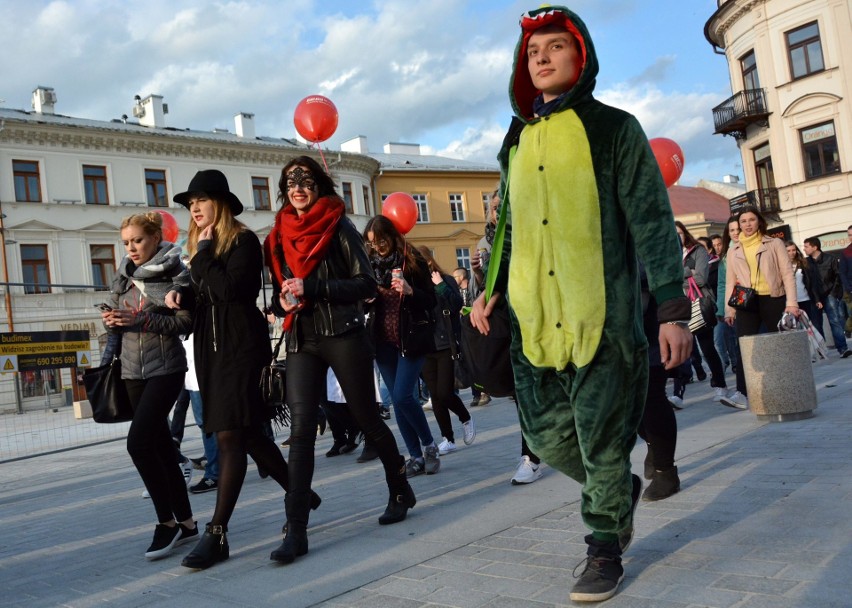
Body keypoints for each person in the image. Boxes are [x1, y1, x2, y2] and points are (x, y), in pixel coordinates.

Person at [470, 7, 692, 602]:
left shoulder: (614, 128)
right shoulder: (515, 139)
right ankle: (616, 489)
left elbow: (652, 222)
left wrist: (672, 311)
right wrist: (489, 287)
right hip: (533, 317)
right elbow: (509, 224)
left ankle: (602, 550)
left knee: (598, 440)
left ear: (581, 57)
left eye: (553, 47)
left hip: (604, 319)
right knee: (544, 439)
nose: (539, 58)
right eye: (532, 51)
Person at [264, 157, 416, 565]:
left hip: (343, 333)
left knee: (367, 418)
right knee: (300, 431)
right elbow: (278, 292)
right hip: (301, 336)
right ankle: (296, 528)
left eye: (307, 180)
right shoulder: (278, 233)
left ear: (320, 187)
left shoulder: (339, 225)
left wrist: (312, 286)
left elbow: (366, 283)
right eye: (291, 182)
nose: (298, 187)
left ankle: (399, 485)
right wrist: (281, 303)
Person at [173, 169, 299, 570]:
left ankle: (217, 533)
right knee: (244, 434)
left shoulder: (243, 241)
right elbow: (206, 292)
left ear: (221, 205)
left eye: (201, 201)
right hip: (210, 351)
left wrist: (205, 256)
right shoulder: (202, 247)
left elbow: (229, 291)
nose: (194, 208)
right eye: (190, 203)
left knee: (229, 436)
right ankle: (299, 492)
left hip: (241, 350)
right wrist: (183, 294)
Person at [101, 212, 197, 560]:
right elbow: (116, 322)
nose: (131, 248)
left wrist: (139, 318)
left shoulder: (177, 273)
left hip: (166, 368)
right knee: (159, 450)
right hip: (130, 372)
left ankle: (166, 523)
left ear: (156, 237)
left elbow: (185, 323)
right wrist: (111, 322)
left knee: (139, 444)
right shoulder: (122, 274)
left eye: (137, 240)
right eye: (126, 242)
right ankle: (187, 524)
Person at [364, 214, 442, 478]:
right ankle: (415, 456)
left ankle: (430, 446)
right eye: (372, 243)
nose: (377, 248)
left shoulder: (412, 261)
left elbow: (431, 300)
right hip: (383, 342)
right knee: (399, 402)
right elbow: (361, 304)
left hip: (411, 338)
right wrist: (364, 299)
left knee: (401, 396)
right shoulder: (367, 266)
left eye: (381, 241)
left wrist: (410, 291)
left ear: (392, 236)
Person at [722, 206, 800, 410]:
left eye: (751, 220)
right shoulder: (733, 250)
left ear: (759, 222)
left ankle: (787, 386)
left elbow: (787, 274)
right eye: (743, 221)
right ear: (738, 226)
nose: (747, 224)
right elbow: (730, 281)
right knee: (744, 346)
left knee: (779, 344)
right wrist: (729, 309)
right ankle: (742, 393)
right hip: (746, 301)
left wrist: (792, 303)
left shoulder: (774, 243)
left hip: (772, 297)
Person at [415, 246, 476, 454]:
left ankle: (465, 418)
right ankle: (447, 438)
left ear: (428, 261)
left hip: (445, 344)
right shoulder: (416, 285)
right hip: (425, 346)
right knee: (435, 396)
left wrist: (440, 286)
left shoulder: (446, 279)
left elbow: (457, 302)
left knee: (445, 393)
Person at [676, 221, 729, 402]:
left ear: (685, 233)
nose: (677, 237)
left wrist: (677, 275)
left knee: (707, 348)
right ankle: (678, 393)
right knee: (681, 350)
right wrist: (687, 272)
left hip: (698, 304)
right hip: (677, 307)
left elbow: (700, 278)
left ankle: (720, 384)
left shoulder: (698, 251)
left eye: (679, 233)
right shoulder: (667, 254)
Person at [803, 236, 850, 357]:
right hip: (814, 297)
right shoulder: (806, 262)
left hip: (830, 294)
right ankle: (822, 351)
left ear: (815, 247)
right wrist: (816, 298)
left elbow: (838, 277)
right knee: (817, 324)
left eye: (806, 246)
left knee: (835, 321)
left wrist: (834, 294)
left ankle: (843, 348)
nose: (804, 249)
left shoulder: (830, 259)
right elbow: (808, 282)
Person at [184, 333, 219, 494]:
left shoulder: (195, 314)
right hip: (190, 377)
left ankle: (214, 473)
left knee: (209, 426)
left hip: (204, 377)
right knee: (206, 426)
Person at [452, 267, 490, 408]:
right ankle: (476, 394)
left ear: (462, 277)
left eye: (455, 276)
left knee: (479, 360)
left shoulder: (473, 288)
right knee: (469, 361)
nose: (454, 279)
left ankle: (485, 392)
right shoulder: (455, 291)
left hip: (476, 327)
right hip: (463, 329)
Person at [714, 219, 740, 375]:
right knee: (738, 342)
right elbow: (723, 284)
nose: (736, 233)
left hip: (760, 299)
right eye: (732, 230)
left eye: (738, 229)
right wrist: (722, 308)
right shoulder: (726, 256)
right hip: (737, 301)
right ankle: (742, 387)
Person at [785, 241, 824, 322]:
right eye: (788, 251)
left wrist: (817, 299)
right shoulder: (781, 266)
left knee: (810, 325)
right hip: (790, 302)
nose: (792, 253)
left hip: (805, 299)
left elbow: (812, 282)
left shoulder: (803, 263)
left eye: (793, 250)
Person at [841, 225, 852, 337]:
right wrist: (849, 288)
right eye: (849, 235)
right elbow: (843, 273)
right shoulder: (846, 252)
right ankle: (848, 329)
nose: (851, 237)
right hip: (850, 289)